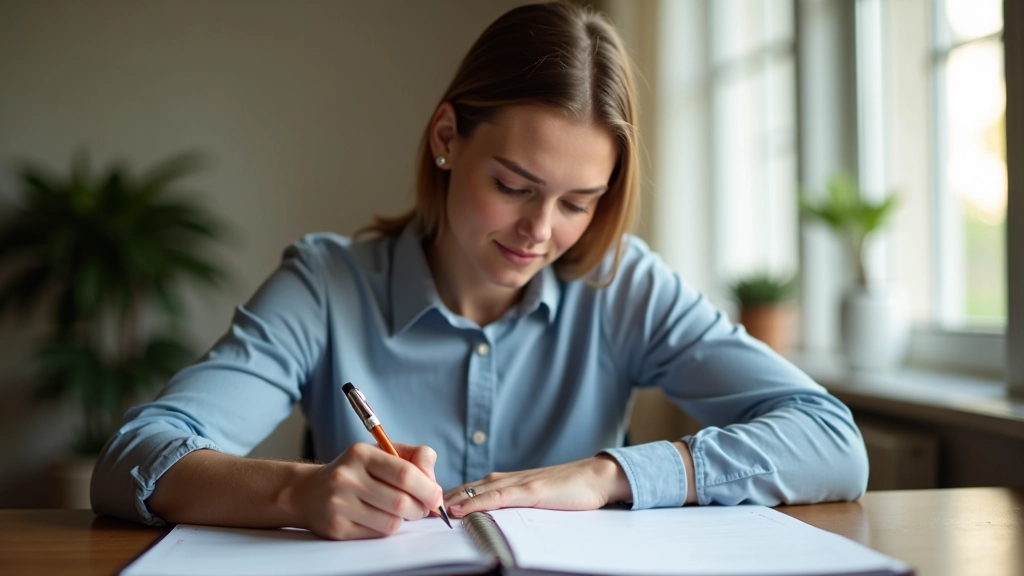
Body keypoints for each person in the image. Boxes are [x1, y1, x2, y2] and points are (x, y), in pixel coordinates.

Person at [91, 2, 868, 541]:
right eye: (513, 186)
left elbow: (832, 441)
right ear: (446, 138)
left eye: (579, 202)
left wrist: (608, 476)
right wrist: (300, 491)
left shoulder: (622, 286)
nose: (541, 231)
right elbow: (132, 460)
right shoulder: (327, 285)